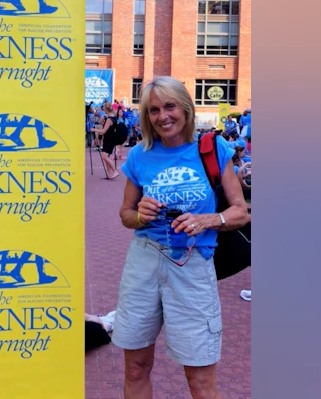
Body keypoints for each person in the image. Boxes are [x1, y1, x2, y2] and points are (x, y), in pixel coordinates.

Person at [113, 76, 249, 399]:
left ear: (186, 109)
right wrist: (140, 215)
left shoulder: (213, 149)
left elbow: (241, 212)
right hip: (144, 260)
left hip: (192, 265)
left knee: (200, 379)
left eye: (170, 106)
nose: (163, 116)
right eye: (154, 110)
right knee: (135, 367)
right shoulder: (140, 155)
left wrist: (207, 220)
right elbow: (125, 215)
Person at [90, 102, 122, 179]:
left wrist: (94, 129)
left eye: (104, 108)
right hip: (111, 139)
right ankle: (109, 174)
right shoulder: (113, 118)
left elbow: (103, 131)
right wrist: (102, 122)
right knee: (106, 157)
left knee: (104, 157)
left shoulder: (109, 119)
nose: (103, 109)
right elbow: (109, 128)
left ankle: (115, 171)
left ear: (106, 109)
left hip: (108, 140)